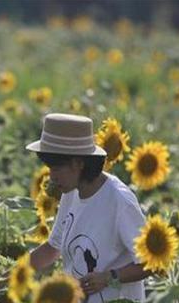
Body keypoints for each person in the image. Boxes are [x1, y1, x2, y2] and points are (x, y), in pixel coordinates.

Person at [25, 113, 151, 303]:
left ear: (78, 163)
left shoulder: (119, 201)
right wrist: (4, 279)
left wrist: (110, 277)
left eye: (57, 168)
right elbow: (52, 248)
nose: (52, 176)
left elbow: (151, 264)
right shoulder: (71, 192)